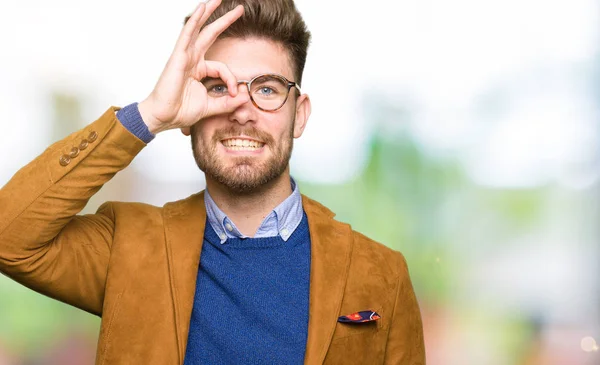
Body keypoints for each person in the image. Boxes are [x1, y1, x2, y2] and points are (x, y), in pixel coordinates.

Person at [0, 0, 425, 363]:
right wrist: (149, 114)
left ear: (301, 114)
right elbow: (9, 235)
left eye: (268, 88)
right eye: (218, 87)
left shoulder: (382, 274)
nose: (242, 110)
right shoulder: (127, 246)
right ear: (188, 113)